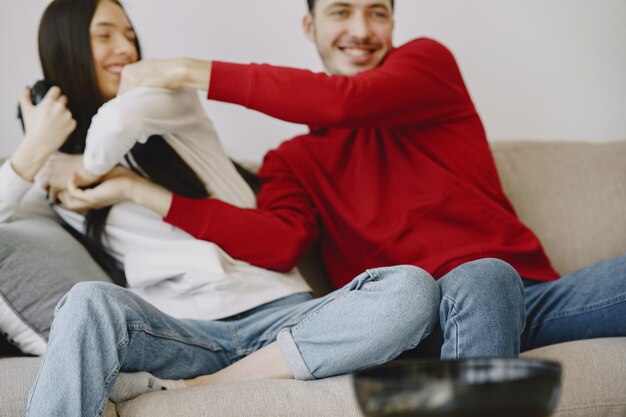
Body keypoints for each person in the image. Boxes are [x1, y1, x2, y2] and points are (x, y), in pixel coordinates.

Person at [113, 0, 626, 357]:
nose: (360, 30)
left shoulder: (429, 66)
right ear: (309, 27)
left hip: (533, 299)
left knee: (492, 275)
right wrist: (141, 191)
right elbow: (279, 245)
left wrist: (182, 69)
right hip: (420, 322)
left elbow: (343, 100)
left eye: (377, 13)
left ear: (392, 26)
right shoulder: (292, 160)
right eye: (340, 12)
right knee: (479, 274)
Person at [15, 1, 443, 416]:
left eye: (129, 34)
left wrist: (120, 184)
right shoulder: (51, 176)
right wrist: (35, 148)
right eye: (104, 36)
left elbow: (117, 125)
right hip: (183, 333)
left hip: (283, 322)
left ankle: (209, 387)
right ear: (64, 47)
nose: (126, 49)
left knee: (411, 290)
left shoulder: (169, 100)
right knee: (87, 302)